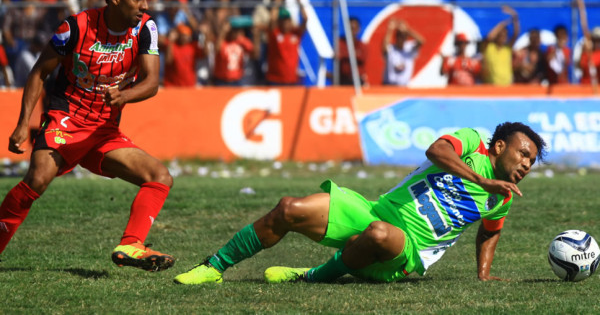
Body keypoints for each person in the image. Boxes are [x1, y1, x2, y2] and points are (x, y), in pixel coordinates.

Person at [173, 121, 547, 285]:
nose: (526, 165)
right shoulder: (472, 142)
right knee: (289, 208)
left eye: (531, 161)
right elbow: (436, 150)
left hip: (406, 252)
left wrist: (483, 273)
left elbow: (490, 232)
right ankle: (213, 267)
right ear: (499, 147)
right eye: (523, 154)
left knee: (380, 235)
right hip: (375, 210)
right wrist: (481, 179)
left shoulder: (502, 198)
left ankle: (311, 276)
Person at [1, 0, 175, 272]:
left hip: (104, 131)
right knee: (38, 179)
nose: (145, 5)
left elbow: (151, 82)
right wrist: (21, 123)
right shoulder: (76, 27)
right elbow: (40, 72)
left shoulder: (146, 28)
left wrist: (124, 96)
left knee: (159, 177)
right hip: (66, 118)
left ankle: (132, 245)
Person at [264, 0, 307, 85]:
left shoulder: (295, 34)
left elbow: (305, 19)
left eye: (287, 21)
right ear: (279, 22)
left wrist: (299, 1)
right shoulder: (275, 34)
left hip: (291, 79)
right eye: (283, 21)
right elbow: (272, 19)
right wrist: (277, 1)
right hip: (275, 79)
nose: (286, 24)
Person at [481, 5, 520, 86]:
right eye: (500, 35)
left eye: (505, 35)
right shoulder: (489, 48)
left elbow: (516, 34)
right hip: (491, 86)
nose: (503, 37)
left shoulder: (507, 48)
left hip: (507, 86)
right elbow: (489, 37)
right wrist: (502, 24)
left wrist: (514, 15)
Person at [212, 17, 256, 85]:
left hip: (237, 80)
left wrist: (255, 35)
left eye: (239, 30)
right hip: (222, 80)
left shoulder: (242, 41)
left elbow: (254, 54)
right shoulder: (222, 41)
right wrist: (223, 32)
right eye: (235, 30)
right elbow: (216, 50)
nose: (237, 33)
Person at [382, 19, 425, 86]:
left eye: (403, 36)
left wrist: (407, 30)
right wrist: (390, 29)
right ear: (396, 37)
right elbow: (384, 46)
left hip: (403, 87)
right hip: (389, 86)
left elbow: (421, 41)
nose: (401, 39)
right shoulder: (391, 48)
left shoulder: (409, 47)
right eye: (399, 36)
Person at [338, 17, 368, 86]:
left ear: (358, 29)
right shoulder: (340, 42)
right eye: (350, 29)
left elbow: (362, 57)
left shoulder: (362, 45)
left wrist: (346, 54)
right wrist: (354, 54)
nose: (352, 32)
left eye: (353, 29)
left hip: (358, 81)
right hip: (343, 80)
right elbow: (338, 54)